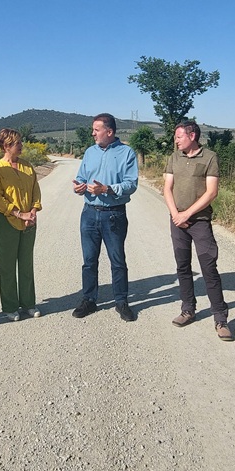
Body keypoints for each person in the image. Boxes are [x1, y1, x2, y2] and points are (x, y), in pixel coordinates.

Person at [163, 119, 234, 341]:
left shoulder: (209, 157)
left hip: (200, 221)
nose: (176, 140)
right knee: (182, 266)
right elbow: (167, 188)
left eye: (179, 136)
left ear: (192, 136)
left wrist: (187, 214)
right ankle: (188, 309)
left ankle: (220, 319)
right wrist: (176, 215)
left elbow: (211, 192)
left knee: (208, 267)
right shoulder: (174, 157)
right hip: (177, 221)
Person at [71, 113, 139, 322]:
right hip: (89, 213)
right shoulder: (89, 152)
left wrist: (107, 189)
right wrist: (79, 187)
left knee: (117, 261)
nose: (93, 133)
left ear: (109, 132)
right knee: (89, 261)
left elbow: (131, 184)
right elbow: (81, 177)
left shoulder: (126, 153)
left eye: (96, 130)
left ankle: (121, 301)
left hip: (114, 214)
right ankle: (89, 299)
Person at [0, 128, 43, 321]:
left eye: (20, 142)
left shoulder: (27, 166)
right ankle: (10, 306)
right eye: (17, 143)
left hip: (29, 220)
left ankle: (28, 303)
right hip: (7, 221)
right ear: (6, 146)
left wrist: (33, 211)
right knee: (7, 265)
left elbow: (35, 190)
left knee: (26, 263)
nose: (21, 146)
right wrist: (19, 214)